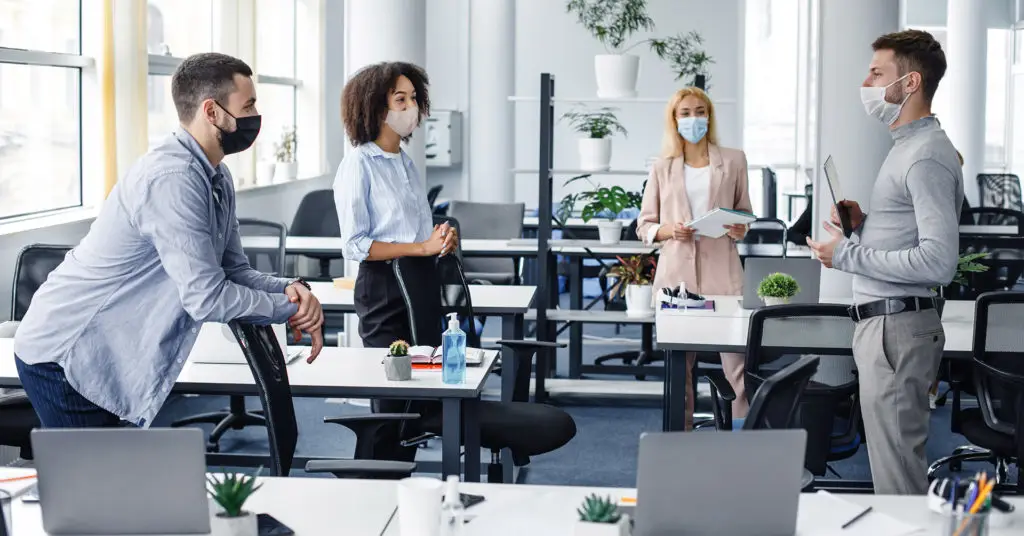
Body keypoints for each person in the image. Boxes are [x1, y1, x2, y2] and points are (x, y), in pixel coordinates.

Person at [13, 52, 324, 428]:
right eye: (249, 104)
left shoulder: (216, 176)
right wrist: (289, 309)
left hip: (103, 353)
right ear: (212, 112)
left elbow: (234, 270)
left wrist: (291, 288)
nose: (256, 116)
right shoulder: (173, 179)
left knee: (113, 480)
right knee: (94, 484)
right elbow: (206, 297)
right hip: (67, 354)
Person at [805, 30, 963, 495]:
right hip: (889, 326)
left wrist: (848, 254)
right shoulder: (909, 147)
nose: (867, 82)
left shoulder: (925, 155)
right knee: (892, 470)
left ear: (910, 83)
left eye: (877, 73)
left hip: (897, 328)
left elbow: (938, 262)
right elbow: (913, 234)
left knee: (898, 481)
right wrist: (866, 224)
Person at [334, 61, 457, 460]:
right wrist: (419, 248)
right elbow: (356, 244)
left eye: (414, 98)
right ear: (373, 107)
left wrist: (438, 241)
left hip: (419, 283)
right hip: (384, 290)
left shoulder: (405, 163)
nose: (411, 107)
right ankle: (372, 494)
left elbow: (415, 235)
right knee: (391, 401)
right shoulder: (359, 163)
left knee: (416, 400)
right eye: (399, 99)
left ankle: (400, 491)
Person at [636, 87, 752, 429]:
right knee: (680, 366)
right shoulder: (662, 166)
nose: (693, 118)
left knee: (737, 361)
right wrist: (670, 230)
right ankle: (681, 437)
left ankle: (742, 435)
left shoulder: (733, 160)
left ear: (709, 116)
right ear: (674, 119)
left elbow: (745, 215)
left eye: (699, 111)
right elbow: (644, 226)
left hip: (724, 271)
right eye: (685, 113)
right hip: (677, 278)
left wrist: (738, 228)